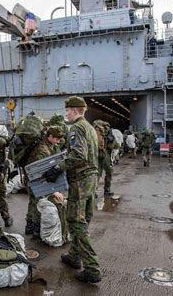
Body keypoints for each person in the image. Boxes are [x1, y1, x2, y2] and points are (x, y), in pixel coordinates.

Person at [43, 96, 101, 283]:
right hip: (91, 179)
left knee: (77, 221)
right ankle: (75, 256)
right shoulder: (90, 128)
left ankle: (92, 268)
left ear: (75, 110)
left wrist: (58, 167)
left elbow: (78, 155)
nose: (65, 113)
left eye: (67, 110)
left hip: (81, 180)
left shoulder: (76, 128)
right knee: (83, 218)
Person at [24, 126, 65, 239]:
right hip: (34, 180)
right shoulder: (43, 150)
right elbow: (41, 172)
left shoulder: (49, 146)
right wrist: (53, 190)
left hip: (34, 179)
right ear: (50, 136)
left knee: (33, 201)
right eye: (56, 139)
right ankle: (36, 229)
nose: (58, 141)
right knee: (39, 202)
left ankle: (29, 226)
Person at [93, 120, 116, 198]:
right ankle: (107, 191)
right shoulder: (107, 132)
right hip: (104, 154)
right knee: (109, 172)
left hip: (96, 155)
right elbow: (111, 146)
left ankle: (94, 192)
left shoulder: (93, 131)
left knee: (97, 174)